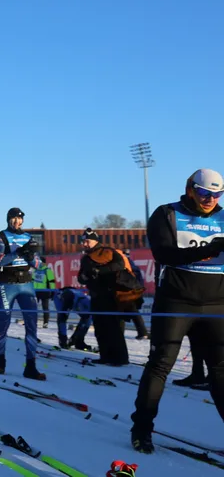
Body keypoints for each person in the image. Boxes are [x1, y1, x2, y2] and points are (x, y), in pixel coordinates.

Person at [130, 169, 224, 454]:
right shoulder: (167, 213)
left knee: (221, 371)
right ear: (191, 189)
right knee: (160, 365)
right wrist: (207, 249)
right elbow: (164, 254)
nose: (210, 200)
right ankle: (142, 430)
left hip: (217, 304)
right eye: (205, 193)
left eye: (217, 194)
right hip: (176, 302)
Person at [0, 207, 46, 380]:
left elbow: (38, 264)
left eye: (19, 219)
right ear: (8, 219)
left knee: (32, 324)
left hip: (26, 283)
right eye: (14, 219)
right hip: (6, 284)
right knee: (3, 322)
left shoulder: (28, 237)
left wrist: (30, 255)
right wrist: (19, 252)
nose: (17, 222)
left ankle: (31, 366)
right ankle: (1, 362)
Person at [76, 229, 136, 366]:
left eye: (87, 241)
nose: (85, 244)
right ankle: (105, 356)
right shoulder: (86, 257)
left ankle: (120, 358)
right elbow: (81, 277)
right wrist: (84, 278)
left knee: (113, 328)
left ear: (96, 241)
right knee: (100, 328)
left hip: (110, 295)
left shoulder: (108, 251)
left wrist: (99, 271)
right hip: (96, 296)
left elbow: (119, 265)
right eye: (83, 241)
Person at [56, 286, 92, 351]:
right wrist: (63, 339)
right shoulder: (67, 298)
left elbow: (88, 316)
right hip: (65, 298)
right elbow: (62, 317)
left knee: (87, 319)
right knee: (62, 317)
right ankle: (63, 339)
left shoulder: (87, 302)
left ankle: (78, 340)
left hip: (77, 299)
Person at [32, 257, 57, 329]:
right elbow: (33, 280)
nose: (39, 263)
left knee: (45, 308)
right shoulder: (36, 270)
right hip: (36, 291)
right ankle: (32, 321)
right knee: (33, 308)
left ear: (44, 263)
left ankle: (45, 323)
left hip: (45, 292)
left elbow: (52, 282)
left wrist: (52, 291)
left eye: (41, 262)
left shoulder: (47, 270)